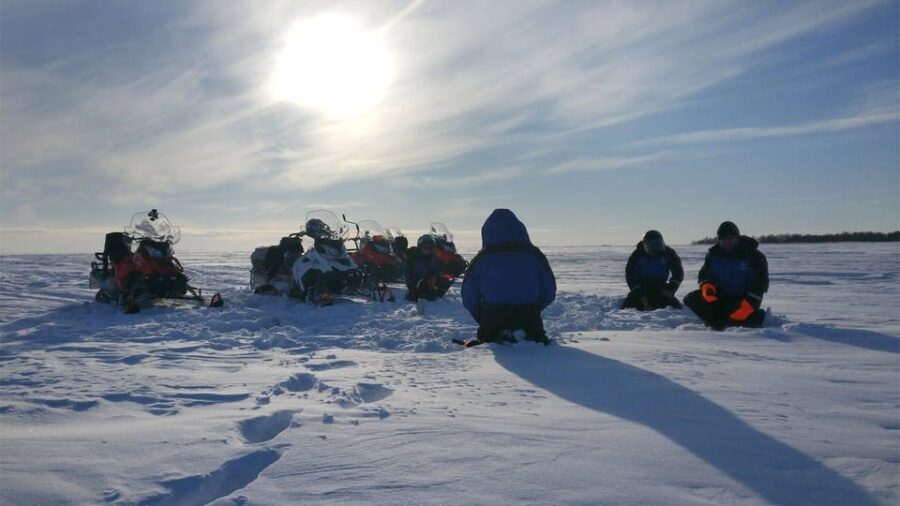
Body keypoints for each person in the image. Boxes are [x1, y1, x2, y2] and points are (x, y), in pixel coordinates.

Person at [462, 209, 556, 344]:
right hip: (529, 318)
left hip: (493, 318)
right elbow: (549, 291)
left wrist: (482, 316)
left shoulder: (482, 258)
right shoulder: (534, 255)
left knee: (489, 341)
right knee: (536, 343)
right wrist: (532, 308)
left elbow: (468, 297)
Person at [683, 221, 769, 330]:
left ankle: (746, 318)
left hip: (744, 300)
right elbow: (704, 275)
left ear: (737, 237)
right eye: (723, 239)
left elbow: (760, 285)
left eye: (730, 238)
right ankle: (718, 321)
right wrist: (707, 288)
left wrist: (749, 305)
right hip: (720, 297)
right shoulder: (713, 255)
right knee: (690, 299)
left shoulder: (755, 256)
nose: (727, 242)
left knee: (740, 320)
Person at [622, 230, 684, 310]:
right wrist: (638, 292)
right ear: (645, 245)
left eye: (658, 245)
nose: (655, 249)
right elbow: (630, 275)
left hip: (661, 285)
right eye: (651, 246)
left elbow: (678, 273)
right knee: (629, 305)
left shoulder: (669, 253)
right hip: (642, 286)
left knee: (673, 305)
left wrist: (671, 288)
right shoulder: (637, 255)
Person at [404, 234, 453, 302]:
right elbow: (409, 277)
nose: (427, 249)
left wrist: (438, 275)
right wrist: (417, 286)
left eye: (429, 247)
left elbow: (440, 269)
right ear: (420, 247)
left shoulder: (434, 258)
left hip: (430, 285)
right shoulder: (414, 259)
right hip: (417, 287)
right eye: (424, 247)